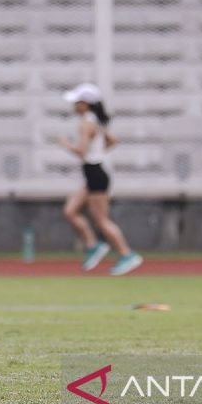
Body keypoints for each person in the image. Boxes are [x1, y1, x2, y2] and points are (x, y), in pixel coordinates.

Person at [58, 83, 143, 276]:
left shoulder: (86, 123)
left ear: (85, 104)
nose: (74, 106)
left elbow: (81, 151)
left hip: (95, 174)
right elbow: (112, 140)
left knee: (102, 221)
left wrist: (66, 145)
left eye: (77, 102)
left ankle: (127, 254)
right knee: (70, 211)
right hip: (93, 173)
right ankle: (94, 245)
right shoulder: (94, 120)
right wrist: (98, 153)